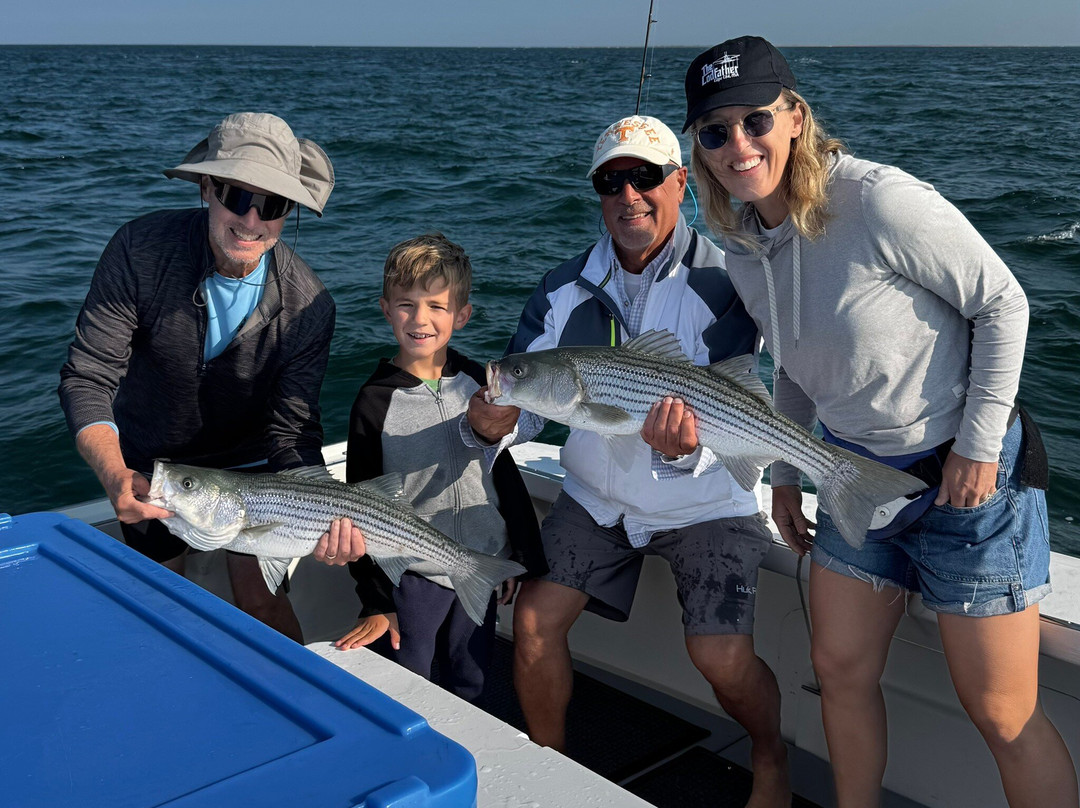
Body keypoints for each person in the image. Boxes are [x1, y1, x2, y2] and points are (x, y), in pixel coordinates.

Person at [683, 35, 1077, 808]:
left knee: (1003, 712)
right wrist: (786, 477)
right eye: (715, 131)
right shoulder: (742, 247)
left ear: (795, 118)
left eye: (756, 120)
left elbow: (1003, 304)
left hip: (970, 485)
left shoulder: (876, 200)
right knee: (839, 672)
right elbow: (793, 366)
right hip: (852, 476)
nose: (739, 145)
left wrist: (977, 447)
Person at [467, 115, 791, 806]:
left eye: (645, 177)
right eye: (611, 182)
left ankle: (770, 755)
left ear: (682, 183)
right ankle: (553, 772)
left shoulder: (728, 280)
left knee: (720, 658)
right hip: (596, 498)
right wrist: (495, 423)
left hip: (706, 501)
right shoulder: (561, 287)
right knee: (531, 624)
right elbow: (528, 400)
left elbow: (743, 402)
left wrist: (684, 453)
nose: (629, 195)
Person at [58, 112, 365, 643]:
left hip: (254, 468)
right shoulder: (139, 249)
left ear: (288, 210)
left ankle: (286, 689)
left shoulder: (310, 305)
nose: (251, 219)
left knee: (263, 604)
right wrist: (115, 474)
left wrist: (323, 511)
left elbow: (293, 430)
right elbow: (88, 376)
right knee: (161, 600)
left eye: (272, 204)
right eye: (236, 195)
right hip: (154, 466)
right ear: (206, 187)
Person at [332, 234, 546, 704]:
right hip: (412, 574)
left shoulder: (482, 385)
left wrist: (514, 555)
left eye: (437, 306)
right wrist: (377, 601)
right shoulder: (373, 401)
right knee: (410, 681)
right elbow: (360, 505)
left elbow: (502, 471)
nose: (420, 319)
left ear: (462, 315)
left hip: (480, 565)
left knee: (472, 676)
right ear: (386, 309)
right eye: (406, 305)